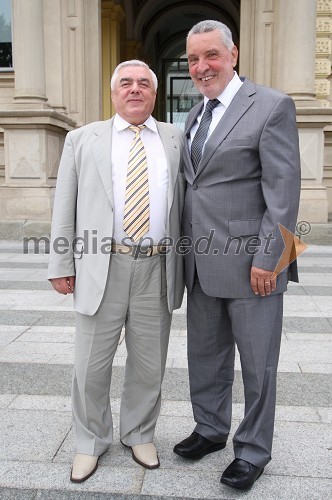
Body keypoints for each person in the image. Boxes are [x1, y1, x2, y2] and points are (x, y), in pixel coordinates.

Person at [173, 20, 301, 491]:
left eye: (211, 55)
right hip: (202, 262)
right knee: (205, 355)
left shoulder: (271, 105)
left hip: (255, 266)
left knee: (258, 363)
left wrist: (272, 259)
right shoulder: (194, 115)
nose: (201, 67)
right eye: (193, 59)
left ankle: (252, 450)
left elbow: (284, 192)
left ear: (234, 54)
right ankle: (209, 428)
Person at [47, 60, 185, 483]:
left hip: (157, 266)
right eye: (126, 83)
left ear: (155, 94)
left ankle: (139, 432)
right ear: (113, 92)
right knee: (90, 365)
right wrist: (60, 262)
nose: (135, 90)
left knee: (149, 363)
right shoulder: (81, 139)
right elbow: (64, 206)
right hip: (99, 266)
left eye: (144, 83)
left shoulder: (176, 138)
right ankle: (89, 442)